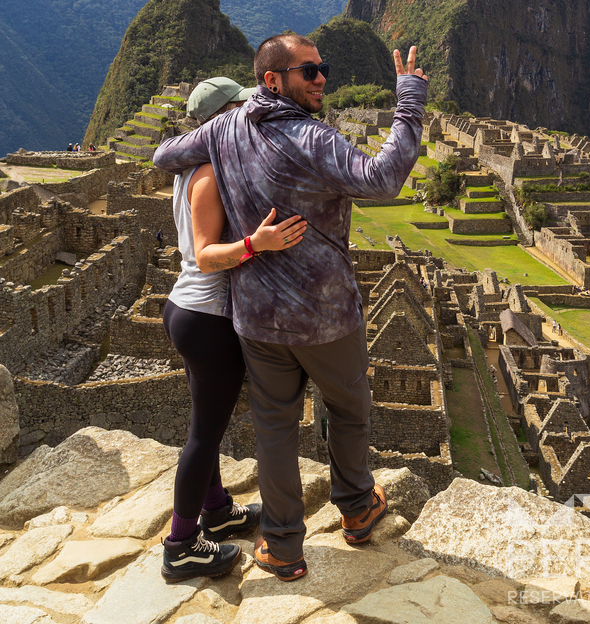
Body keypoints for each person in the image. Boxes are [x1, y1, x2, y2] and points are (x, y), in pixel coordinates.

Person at [154, 36, 427, 582]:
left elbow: (165, 156)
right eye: (309, 71)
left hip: (256, 319)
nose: (321, 77)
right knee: (348, 410)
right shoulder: (312, 136)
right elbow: (382, 177)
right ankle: (356, 508)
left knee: (274, 428)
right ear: (273, 79)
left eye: (323, 68)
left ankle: (281, 545)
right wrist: (409, 101)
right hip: (323, 316)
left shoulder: (224, 129)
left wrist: (229, 161)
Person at [160, 76, 308, 583]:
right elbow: (205, 256)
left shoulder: (200, 166)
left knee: (211, 422)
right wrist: (256, 243)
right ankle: (181, 545)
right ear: (225, 116)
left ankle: (217, 510)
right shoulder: (205, 172)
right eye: (244, 108)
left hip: (194, 312)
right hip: (205, 316)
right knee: (204, 433)